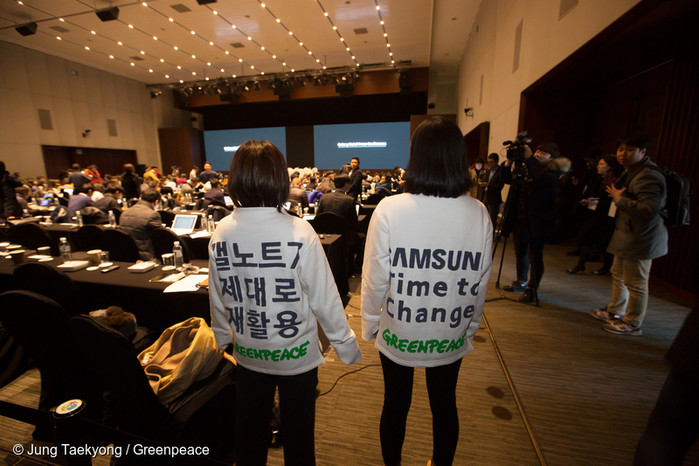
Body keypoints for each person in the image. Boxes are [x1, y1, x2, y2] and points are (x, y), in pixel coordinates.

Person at [208, 140, 362, 465]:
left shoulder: (222, 231)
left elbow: (220, 293)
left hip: (248, 351)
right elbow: (325, 297)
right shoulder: (299, 230)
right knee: (298, 437)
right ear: (280, 179)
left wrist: (221, 337)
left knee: (249, 436)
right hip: (296, 355)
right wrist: (344, 343)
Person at [361, 116, 493, 466]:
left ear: (415, 156)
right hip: (450, 328)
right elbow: (480, 281)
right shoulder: (479, 212)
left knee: (395, 403)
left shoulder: (390, 208)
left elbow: (375, 278)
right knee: (445, 403)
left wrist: (370, 323)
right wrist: (471, 327)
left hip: (399, 329)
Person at [590, 134, 668, 335]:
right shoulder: (632, 170)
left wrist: (619, 198)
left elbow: (649, 209)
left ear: (643, 152)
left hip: (641, 237)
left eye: (630, 149)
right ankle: (615, 311)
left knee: (636, 283)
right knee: (618, 274)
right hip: (627, 234)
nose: (623, 154)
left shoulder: (648, 175)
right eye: (621, 149)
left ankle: (633, 323)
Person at [501, 142, 571, 302]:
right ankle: (521, 280)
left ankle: (532, 289)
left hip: (537, 221)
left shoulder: (552, 171)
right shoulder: (528, 167)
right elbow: (507, 180)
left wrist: (530, 159)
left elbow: (538, 178)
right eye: (538, 151)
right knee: (520, 253)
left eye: (543, 153)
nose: (538, 154)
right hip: (520, 218)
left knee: (535, 256)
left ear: (552, 157)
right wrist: (509, 163)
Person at [567, 155, 621, 274]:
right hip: (595, 214)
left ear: (609, 167)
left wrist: (592, 202)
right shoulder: (599, 179)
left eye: (602, 164)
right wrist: (590, 201)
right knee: (588, 239)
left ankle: (605, 268)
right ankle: (581, 265)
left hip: (604, 217)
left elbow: (608, 201)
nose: (598, 166)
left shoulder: (612, 181)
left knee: (602, 242)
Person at [118, 188, 162, 260]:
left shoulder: (124, 213)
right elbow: (160, 237)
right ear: (156, 202)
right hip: (145, 254)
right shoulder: (152, 215)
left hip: (126, 253)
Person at [481, 153, 504, 228]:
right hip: (486, 195)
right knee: (484, 215)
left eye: (491, 162)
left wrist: (488, 185)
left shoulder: (501, 171)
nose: (489, 164)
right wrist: (482, 184)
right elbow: (486, 181)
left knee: (492, 219)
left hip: (494, 198)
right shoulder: (489, 171)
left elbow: (500, 186)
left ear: (496, 162)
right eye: (488, 162)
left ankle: (492, 233)